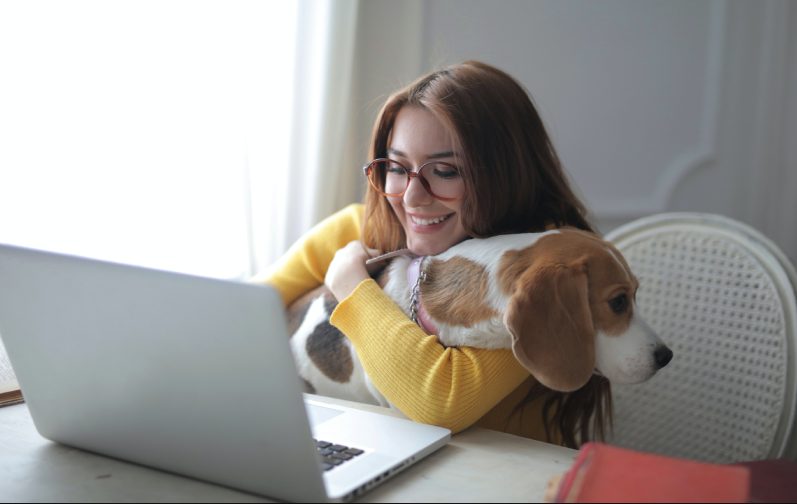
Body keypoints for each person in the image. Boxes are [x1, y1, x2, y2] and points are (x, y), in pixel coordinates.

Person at [251, 60, 610, 448]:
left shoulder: (536, 274)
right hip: (385, 460)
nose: (412, 197)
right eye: (398, 166)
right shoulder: (356, 230)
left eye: (445, 170)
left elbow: (441, 405)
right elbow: (235, 315)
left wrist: (352, 288)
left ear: (506, 175)